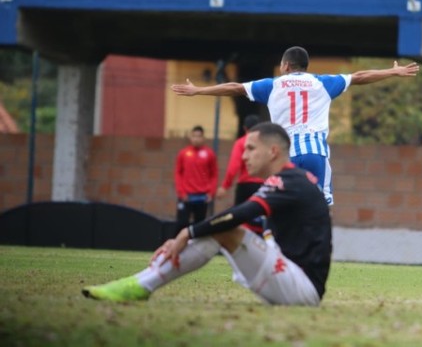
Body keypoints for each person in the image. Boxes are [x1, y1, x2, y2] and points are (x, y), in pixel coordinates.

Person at [82, 122, 332, 306]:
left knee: (224, 230)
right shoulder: (292, 179)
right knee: (225, 230)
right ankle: (138, 283)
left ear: (273, 151)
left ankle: (140, 286)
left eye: (251, 149)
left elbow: (241, 213)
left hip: (302, 290)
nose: (244, 156)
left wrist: (188, 232)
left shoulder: (289, 181)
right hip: (291, 279)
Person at [171, 46, 419, 205]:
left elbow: (234, 88)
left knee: (278, 203)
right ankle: (316, 250)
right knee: (319, 205)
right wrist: (392, 72)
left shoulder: (272, 85)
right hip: (314, 154)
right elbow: (360, 77)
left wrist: (198, 91)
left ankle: (278, 249)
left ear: (286, 65)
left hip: (285, 156)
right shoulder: (322, 83)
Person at [215, 114, 265, 233]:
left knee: (240, 219)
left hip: (245, 186)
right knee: (263, 217)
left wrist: (225, 186)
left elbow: (234, 166)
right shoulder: (265, 143)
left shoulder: (242, 143)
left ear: (245, 128)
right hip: (264, 185)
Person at [174, 125, 218, 230]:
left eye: (199, 136)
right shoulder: (183, 154)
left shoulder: (209, 154)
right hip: (186, 196)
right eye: (194, 136)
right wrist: (181, 192)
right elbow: (178, 173)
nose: (196, 139)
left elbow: (214, 174)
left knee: (199, 226)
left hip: (202, 197)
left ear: (203, 138)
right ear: (190, 137)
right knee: (181, 224)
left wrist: (211, 192)